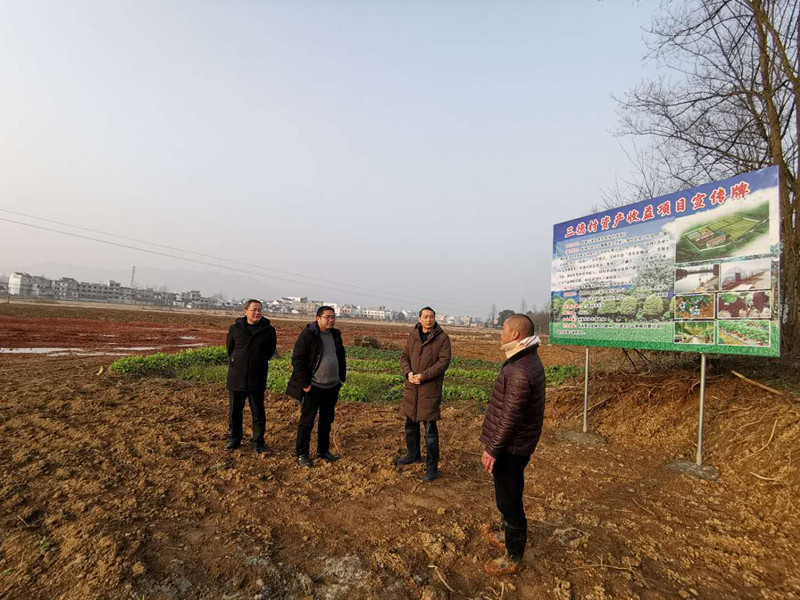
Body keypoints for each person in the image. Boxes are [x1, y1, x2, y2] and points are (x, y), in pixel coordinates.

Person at [479, 314, 545, 575]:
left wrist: (493, 449)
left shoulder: (520, 370)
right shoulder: (523, 358)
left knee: (509, 500)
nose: (500, 333)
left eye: (504, 329)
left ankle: (514, 555)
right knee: (506, 493)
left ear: (515, 334)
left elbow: (510, 416)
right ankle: (505, 533)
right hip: (516, 443)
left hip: (512, 447)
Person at [286, 306, 347, 468]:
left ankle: (323, 451)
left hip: (332, 386)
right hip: (314, 387)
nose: (331, 320)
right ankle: (302, 454)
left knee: (326, 420)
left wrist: (340, 379)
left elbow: (341, 357)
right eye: (327, 317)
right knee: (307, 421)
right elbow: (297, 360)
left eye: (333, 317)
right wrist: (305, 384)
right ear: (318, 318)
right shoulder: (309, 335)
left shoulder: (335, 335)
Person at [398, 306, 451, 481]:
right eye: (425, 317)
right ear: (419, 319)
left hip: (429, 389)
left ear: (435, 319)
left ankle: (432, 468)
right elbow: (404, 357)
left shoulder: (442, 338)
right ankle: (412, 455)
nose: (429, 320)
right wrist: (409, 373)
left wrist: (424, 376)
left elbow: (443, 363)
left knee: (430, 431)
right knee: (410, 425)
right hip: (412, 388)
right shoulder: (412, 336)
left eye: (431, 317)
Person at [225, 299, 277, 454]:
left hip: (257, 377)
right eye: (254, 310)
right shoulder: (235, 328)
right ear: (245, 311)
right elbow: (230, 349)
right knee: (235, 411)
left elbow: (270, 351)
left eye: (260, 310)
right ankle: (234, 439)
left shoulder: (268, 330)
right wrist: (237, 362)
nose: (257, 312)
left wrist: (258, 362)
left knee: (258, 411)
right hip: (237, 376)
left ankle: (258, 442)